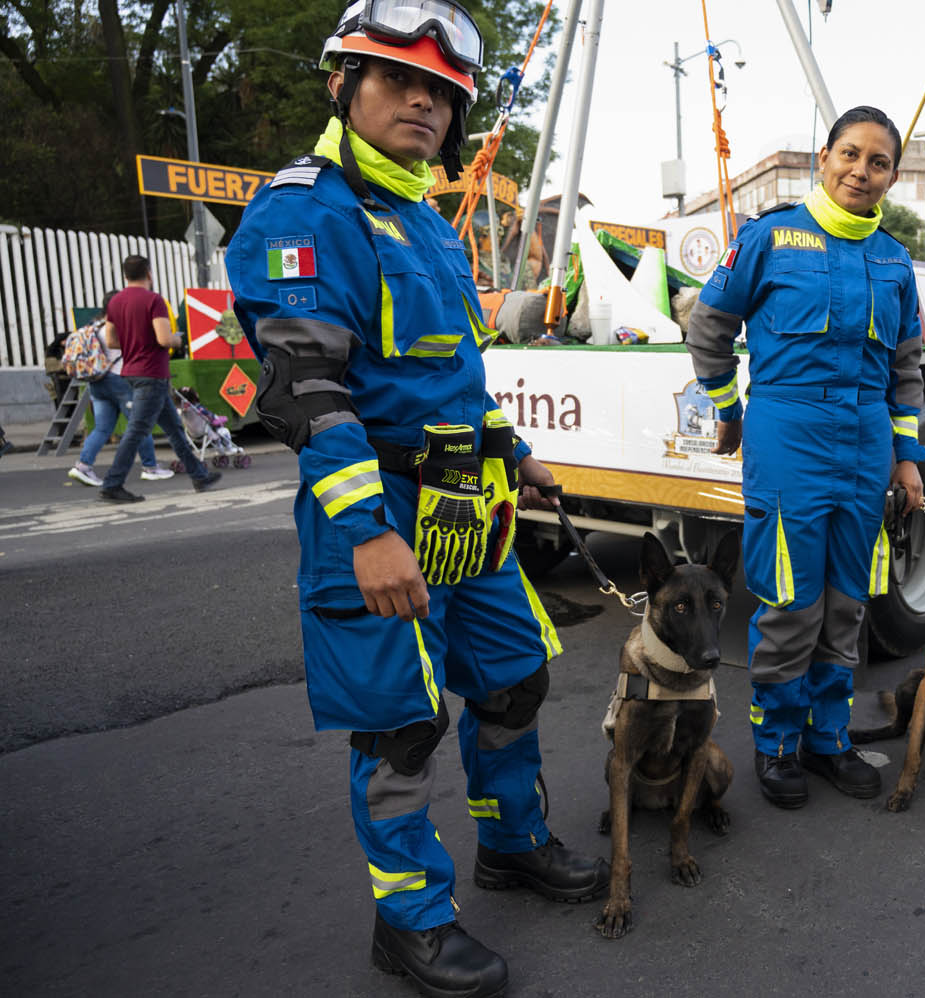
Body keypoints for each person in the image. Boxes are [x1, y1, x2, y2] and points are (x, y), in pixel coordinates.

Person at [225, 4, 606, 994]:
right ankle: (410, 918)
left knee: (513, 678)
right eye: (399, 81)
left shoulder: (430, 225)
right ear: (342, 85)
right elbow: (306, 392)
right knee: (399, 723)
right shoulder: (307, 210)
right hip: (380, 510)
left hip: (465, 508)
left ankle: (512, 842)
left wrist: (513, 451)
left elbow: (455, 380)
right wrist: (365, 532)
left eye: (442, 93)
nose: (423, 104)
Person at [687, 105, 925, 808]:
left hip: (866, 444)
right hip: (788, 434)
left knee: (849, 602)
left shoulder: (893, 260)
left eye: (878, 161)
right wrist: (729, 410)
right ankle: (776, 746)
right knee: (792, 603)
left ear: (891, 176)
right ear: (824, 158)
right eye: (850, 154)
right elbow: (710, 326)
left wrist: (907, 457)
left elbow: (906, 367)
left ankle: (829, 739)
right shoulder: (771, 236)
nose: (861, 171)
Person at [96, 256, 221, 502]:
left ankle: (199, 475)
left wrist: (134, 343)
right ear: (149, 273)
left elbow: (111, 341)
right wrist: (179, 338)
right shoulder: (154, 301)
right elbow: (164, 339)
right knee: (137, 430)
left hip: (132, 370)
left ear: (125, 275)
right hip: (151, 372)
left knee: (174, 427)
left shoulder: (116, 302)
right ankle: (112, 484)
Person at [68, 293, 174, 487]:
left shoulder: (92, 328)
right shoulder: (117, 328)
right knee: (139, 424)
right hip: (119, 380)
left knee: (102, 428)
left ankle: (83, 466)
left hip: (97, 382)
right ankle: (150, 467)